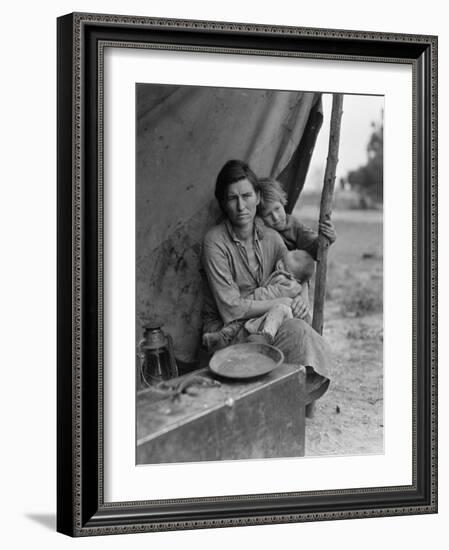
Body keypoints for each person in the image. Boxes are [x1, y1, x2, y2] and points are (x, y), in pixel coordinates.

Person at [201, 160, 331, 405]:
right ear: (223, 203)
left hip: (263, 329)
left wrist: (301, 295)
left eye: (247, 196)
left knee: (300, 327)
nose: (241, 206)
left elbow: (293, 273)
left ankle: (279, 400)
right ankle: (269, 399)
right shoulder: (215, 242)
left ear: (258, 197)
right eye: (232, 198)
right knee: (294, 329)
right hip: (228, 331)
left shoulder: (271, 238)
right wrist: (282, 301)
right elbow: (231, 309)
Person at [202, 249, 315, 351]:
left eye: (284, 266)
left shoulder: (288, 284)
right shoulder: (286, 278)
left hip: (281, 315)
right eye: (282, 260)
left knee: (278, 309)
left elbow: (270, 294)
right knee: (241, 321)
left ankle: (265, 336)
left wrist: (253, 298)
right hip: (267, 312)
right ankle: (223, 337)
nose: (279, 265)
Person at [257, 177, 337, 258]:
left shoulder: (293, 224)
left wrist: (327, 237)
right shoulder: (262, 231)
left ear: (282, 203)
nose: (276, 218)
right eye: (267, 214)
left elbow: (313, 245)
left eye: (277, 209)